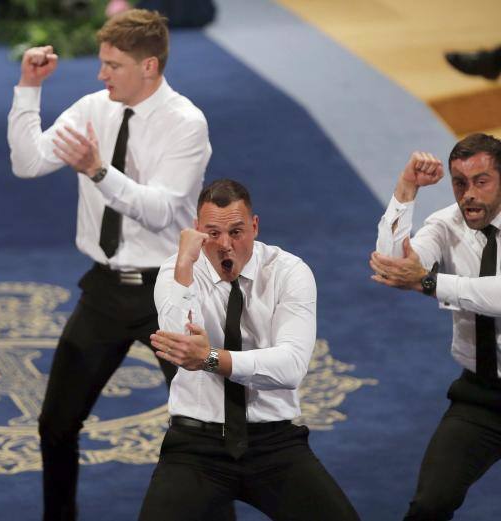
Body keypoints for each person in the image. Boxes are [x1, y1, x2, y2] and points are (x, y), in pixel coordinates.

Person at [6, 8, 212, 520]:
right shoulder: (92, 108)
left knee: (201, 427)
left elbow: (162, 210)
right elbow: (27, 163)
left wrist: (98, 171)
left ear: (150, 67)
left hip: (169, 292)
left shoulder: (185, 123)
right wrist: (29, 88)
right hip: (103, 290)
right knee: (56, 424)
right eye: (102, 63)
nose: (101, 74)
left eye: (112, 65)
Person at [138, 179, 360, 521]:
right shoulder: (179, 268)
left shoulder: (289, 272)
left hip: (274, 443)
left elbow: (291, 367)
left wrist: (212, 358)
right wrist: (184, 263)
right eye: (212, 233)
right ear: (197, 231)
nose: (225, 245)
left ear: (255, 227)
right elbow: (177, 343)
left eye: (237, 232)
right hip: (196, 446)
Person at [371, 133, 501, 520]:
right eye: (460, 183)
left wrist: (430, 282)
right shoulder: (446, 224)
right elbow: (390, 265)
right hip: (481, 394)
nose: (469, 195)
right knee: (429, 504)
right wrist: (406, 190)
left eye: (481, 181)